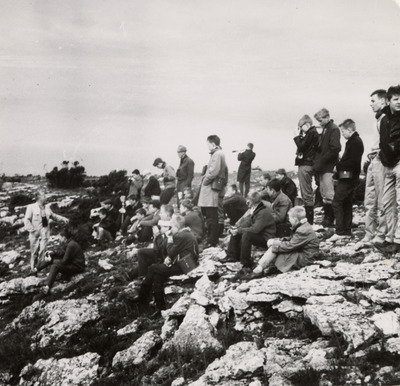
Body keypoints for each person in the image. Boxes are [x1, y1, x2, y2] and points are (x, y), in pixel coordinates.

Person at [137, 214, 199, 316]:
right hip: (188, 263)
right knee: (158, 276)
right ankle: (160, 307)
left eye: (171, 226)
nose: (170, 228)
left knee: (152, 268)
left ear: (176, 226)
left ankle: (142, 299)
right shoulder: (187, 233)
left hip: (183, 266)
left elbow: (170, 251)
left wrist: (169, 239)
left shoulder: (180, 236)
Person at [246, 206, 319, 279]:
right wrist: (278, 240)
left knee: (276, 248)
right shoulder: (303, 226)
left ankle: (260, 268)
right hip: (305, 254)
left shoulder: (302, 230)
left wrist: (275, 244)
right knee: (276, 246)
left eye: (290, 218)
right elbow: (293, 240)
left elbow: (290, 246)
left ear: (295, 219)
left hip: (306, 258)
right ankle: (261, 268)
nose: (289, 220)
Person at [328, 119, 364, 242]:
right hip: (349, 177)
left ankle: (340, 231)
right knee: (347, 203)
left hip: (349, 177)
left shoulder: (355, 142)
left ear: (349, 129)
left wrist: (338, 166)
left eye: (343, 131)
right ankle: (346, 231)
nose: (342, 134)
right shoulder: (353, 141)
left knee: (337, 202)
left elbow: (353, 162)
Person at [224, 191, 276, 272]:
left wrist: (239, 230)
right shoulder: (257, 209)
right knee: (238, 232)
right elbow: (248, 222)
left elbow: (255, 229)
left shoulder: (263, 212)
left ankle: (245, 263)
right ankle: (232, 256)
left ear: (252, 202)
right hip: (260, 235)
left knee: (247, 235)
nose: (247, 202)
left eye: (248, 200)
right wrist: (236, 228)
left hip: (266, 238)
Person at [377, 85, 400, 255]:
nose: (399, 102)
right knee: (387, 202)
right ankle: (391, 238)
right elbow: (383, 141)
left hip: (399, 163)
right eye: (396, 99)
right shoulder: (384, 119)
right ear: (389, 100)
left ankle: (398, 241)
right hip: (388, 164)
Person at [24, 190, 69, 273]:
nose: (46, 197)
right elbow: (26, 220)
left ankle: (39, 269)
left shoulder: (47, 207)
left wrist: (63, 218)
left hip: (45, 232)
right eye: (44, 196)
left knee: (43, 251)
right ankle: (32, 270)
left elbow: (54, 216)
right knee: (34, 253)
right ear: (39, 198)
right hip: (35, 233)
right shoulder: (31, 207)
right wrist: (33, 231)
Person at [198, 135, 228, 247]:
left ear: (213, 144)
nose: (208, 146)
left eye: (208, 144)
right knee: (212, 216)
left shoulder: (217, 154)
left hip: (210, 189)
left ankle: (211, 240)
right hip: (211, 189)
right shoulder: (219, 153)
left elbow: (213, 171)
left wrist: (205, 180)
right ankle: (211, 239)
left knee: (211, 216)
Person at [35, 228, 85, 294]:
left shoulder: (70, 245)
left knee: (55, 266)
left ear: (64, 238)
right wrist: (53, 252)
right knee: (52, 256)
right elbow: (63, 252)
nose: (59, 239)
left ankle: (47, 286)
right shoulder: (70, 243)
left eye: (60, 238)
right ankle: (36, 269)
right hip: (73, 264)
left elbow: (64, 261)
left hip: (77, 267)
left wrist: (53, 261)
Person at [313, 108, 341, 227]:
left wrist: (321, 161)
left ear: (327, 117)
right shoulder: (325, 129)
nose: (319, 123)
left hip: (328, 167)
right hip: (323, 166)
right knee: (324, 193)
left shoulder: (333, 129)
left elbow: (335, 148)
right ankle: (328, 217)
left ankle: (332, 219)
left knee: (329, 194)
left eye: (320, 120)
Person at [293, 114, 319, 224]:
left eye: (301, 127)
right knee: (305, 193)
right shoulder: (311, 133)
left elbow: (302, 147)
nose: (300, 130)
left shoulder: (311, 133)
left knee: (306, 193)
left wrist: (296, 136)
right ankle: (309, 220)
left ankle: (310, 221)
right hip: (307, 164)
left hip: (306, 164)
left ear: (307, 124)